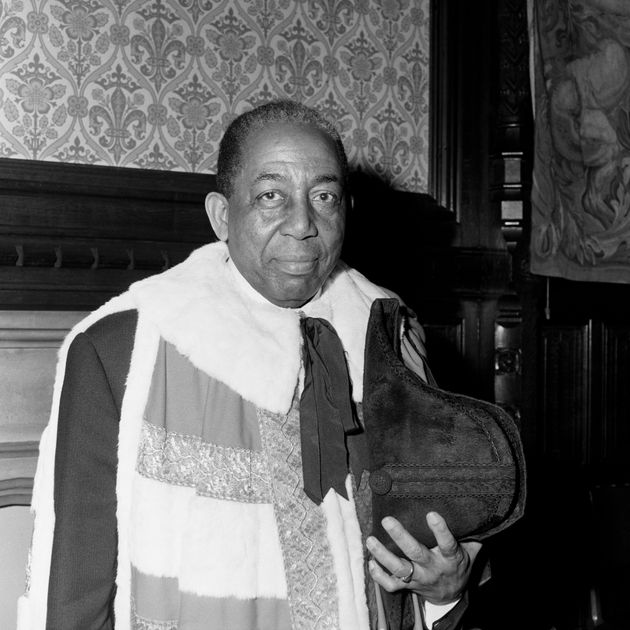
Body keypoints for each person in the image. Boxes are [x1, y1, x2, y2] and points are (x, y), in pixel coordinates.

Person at [18, 100, 481, 630]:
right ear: (222, 215)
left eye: (324, 196)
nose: (304, 224)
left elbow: (433, 571)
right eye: (270, 196)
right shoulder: (122, 348)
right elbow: (74, 593)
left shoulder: (390, 339)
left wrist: (446, 589)